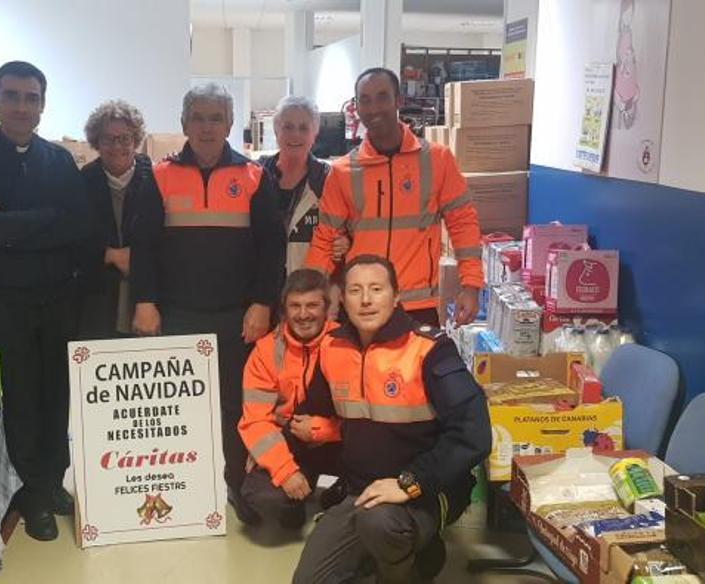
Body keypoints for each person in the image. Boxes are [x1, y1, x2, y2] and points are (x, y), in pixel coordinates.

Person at [130, 83, 286, 523]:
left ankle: (238, 486)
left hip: (238, 317)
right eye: (197, 118)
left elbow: (271, 249)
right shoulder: (157, 175)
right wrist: (145, 301)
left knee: (237, 407)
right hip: (176, 314)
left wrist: (261, 303)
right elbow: (143, 246)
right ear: (183, 124)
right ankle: (187, 492)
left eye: (215, 118)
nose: (206, 127)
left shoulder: (255, 176)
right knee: (180, 411)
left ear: (230, 124)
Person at [0, 61, 95, 541]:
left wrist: (13, 225)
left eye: (31, 97)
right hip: (5, 301)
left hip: (58, 298)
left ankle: (54, 482)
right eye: (11, 95)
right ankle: (31, 495)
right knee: (21, 397)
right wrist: (44, 221)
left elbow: (77, 226)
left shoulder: (59, 161)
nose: (21, 106)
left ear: (42, 105)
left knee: (57, 394)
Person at [293, 255, 491, 583]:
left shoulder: (429, 349)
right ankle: (404, 558)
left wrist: (410, 483)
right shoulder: (332, 347)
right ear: (342, 299)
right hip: (360, 491)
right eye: (355, 290)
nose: (366, 299)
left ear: (396, 296)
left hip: (425, 490)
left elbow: (474, 432)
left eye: (376, 289)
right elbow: (317, 413)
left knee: (380, 525)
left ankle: (413, 566)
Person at [305, 67, 485, 327]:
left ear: (398, 100)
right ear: (356, 107)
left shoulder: (437, 160)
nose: (374, 108)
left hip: (417, 307)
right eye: (365, 100)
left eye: (382, 97)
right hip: (362, 307)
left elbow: (463, 225)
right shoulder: (343, 171)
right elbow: (324, 238)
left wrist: (471, 286)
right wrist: (309, 297)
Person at [237, 269, 342, 529]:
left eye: (312, 305)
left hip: (338, 439)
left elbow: (367, 416)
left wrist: (320, 430)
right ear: (283, 310)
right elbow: (256, 422)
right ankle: (293, 505)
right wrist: (284, 470)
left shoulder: (346, 344)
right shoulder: (265, 351)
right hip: (291, 442)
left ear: (327, 309)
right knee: (260, 496)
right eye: (295, 306)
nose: (303, 314)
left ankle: (345, 492)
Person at [77, 100, 154, 339]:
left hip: (148, 301)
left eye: (125, 138)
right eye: (108, 139)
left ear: (136, 140)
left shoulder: (156, 179)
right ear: (96, 142)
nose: (117, 146)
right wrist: (109, 254)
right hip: (97, 301)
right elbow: (71, 238)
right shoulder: (81, 182)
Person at [257, 96, 349, 274]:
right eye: (288, 127)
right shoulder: (257, 174)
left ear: (315, 134)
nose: (295, 134)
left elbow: (345, 228)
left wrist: (345, 242)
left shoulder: (328, 179)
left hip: (308, 289)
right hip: (262, 289)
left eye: (303, 128)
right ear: (276, 130)